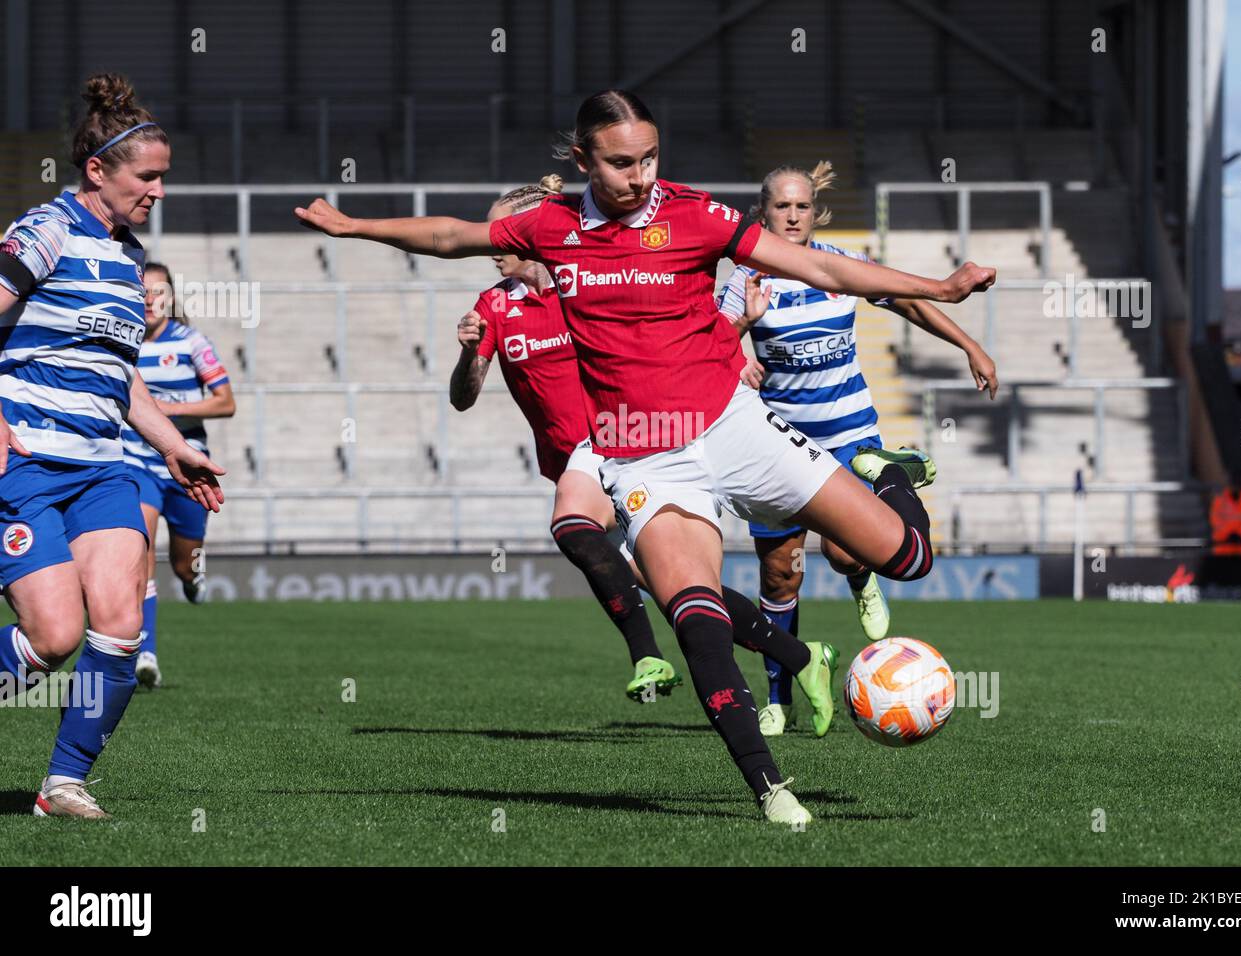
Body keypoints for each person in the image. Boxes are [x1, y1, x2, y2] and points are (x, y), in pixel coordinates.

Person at [296, 89, 995, 826]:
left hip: (734, 426)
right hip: (644, 457)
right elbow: (451, 236)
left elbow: (824, 271)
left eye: (650, 158)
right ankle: (771, 790)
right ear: (583, 160)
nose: (641, 176)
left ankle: (882, 470)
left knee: (908, 557)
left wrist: (939, 287)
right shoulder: (551, 225)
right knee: (697, 620)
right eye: (622, 162)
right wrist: (352, 227)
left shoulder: (696, 215)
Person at [450, 175, 839, 710]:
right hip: (578, 461)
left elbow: (668, 342)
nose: (494, 246)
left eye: (501, 233)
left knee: (574, 527)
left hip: (631, 448)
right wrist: (468, 354)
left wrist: (731, 349)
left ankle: (646, 657)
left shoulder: (585, 285)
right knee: (677, 587)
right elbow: (463, 399)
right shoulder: (494, 306)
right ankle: (802, 657)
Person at [0, 73, 224, 819]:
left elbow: (119, 379)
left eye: (164, 177)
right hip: (27, 461)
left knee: (121, 628)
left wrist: (171, 447)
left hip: (103, 468)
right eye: (147, 177)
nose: (158, 191)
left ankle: (63, 783)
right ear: (98, 170)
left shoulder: (128, 264)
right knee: (52, 637)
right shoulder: (46, 231)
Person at [717, 160, 998, 736]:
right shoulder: (742, 278)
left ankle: (859, 577)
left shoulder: (842, 267)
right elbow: (711, 344)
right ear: (761, 213)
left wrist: (970, 344)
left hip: (849, 438)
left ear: (813, 212)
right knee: (779, 577)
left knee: (847, 552)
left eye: (801, 206)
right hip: (775, 448)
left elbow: (910, 302)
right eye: (780, 206)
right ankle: (779, 697)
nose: (791, 216)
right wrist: (741, 342)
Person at [123, 261, 236, 689]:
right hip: (137, 462)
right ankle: (145, 651)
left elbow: (226, 402)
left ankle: (191, 580)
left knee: (184, 563)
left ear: (171, 299)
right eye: (144, 293)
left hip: (188, 468)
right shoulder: (123, 345)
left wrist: (168, 412)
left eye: (159, 293)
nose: (151, 301)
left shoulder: (191, 342)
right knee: (142, 550)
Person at [1210, 475, 1241, 556]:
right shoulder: (1220, 499)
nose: (1235, 486)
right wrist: (1229, 534)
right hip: (1223, 546)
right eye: (1233, 484)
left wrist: (1240, 533)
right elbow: (1215, 520)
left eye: (1237, 484)